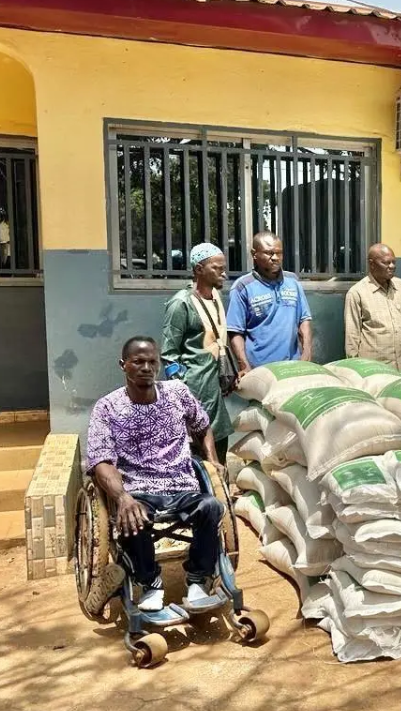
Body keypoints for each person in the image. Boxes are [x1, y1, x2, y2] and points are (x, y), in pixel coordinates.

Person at [86, 336, 223, 613]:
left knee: (211, 506)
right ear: (123, 365)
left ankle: (197, 582)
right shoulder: (107, 407)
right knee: (132, 516)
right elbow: (101, 461)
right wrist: (123, 497)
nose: (146, 367)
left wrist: (213, 461)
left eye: (152, 362)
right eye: (138, 361)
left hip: (181, 485)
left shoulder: (177, 393)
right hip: (138, 489)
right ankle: (150, 583)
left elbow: (202, 425)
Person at [161, 242, 236, 461]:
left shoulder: (216, 297)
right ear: (198, 270)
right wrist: (182, 389)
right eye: (216, 268)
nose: (223, 272)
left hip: (215, 388)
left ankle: (220, 491)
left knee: (219, 442)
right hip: (196, 389)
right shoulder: (181, 304)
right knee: (197, 449)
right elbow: (169, 353)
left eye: (224, 267)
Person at [228, 231, 313, 373]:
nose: (275, 258)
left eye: (279, 253)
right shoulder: (242, 287)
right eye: (269, 253)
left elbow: (304, 320)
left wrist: (307, 353)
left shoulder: (292, 281)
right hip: (260, 371)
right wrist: (244, 366)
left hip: (293, 367)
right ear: (254, 254)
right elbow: (235, 332)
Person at [343, 242, 401, 369]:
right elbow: (352, 337)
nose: (392, 266)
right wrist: (356, 368)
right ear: (372, 264)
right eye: (386, 262)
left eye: (394, 262)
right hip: (375, 370)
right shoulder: (357, 293)